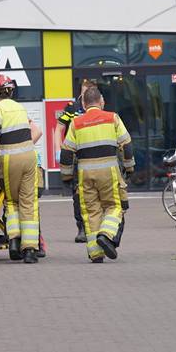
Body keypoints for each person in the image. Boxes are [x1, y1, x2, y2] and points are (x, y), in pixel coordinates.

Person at [59, 86, 134, 263]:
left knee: (91, 212)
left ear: (83, 104)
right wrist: (129, 168)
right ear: (101, 102)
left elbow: (66, 152)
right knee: (114, 206)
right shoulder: (112, 118)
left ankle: (95, 254)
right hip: (109, 171)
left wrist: (67, 177)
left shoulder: (76, 123)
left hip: (85, 173)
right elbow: (127, 144)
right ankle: (106, 235)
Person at [0, 74, 43, 263]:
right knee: (29, 203)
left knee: (11, 201)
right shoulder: (20, 107)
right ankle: (30, 250)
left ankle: (15, 243)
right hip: (29, 158)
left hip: (9, 159)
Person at [55, 80, 93, 243]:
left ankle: (94, 226)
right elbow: (59, 129)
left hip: (93, 155)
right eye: (85, 92)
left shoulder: (96, 107)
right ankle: (82, 228)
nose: (86, 96)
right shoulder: (72, 107)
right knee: (77, 194)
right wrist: (59, 150)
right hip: (76, 157)